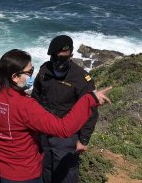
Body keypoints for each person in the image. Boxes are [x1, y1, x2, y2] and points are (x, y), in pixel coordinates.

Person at [0, 49, 111, 183]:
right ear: (14, 77)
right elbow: (63, 129)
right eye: (29, 72)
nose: (32, 75)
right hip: (25, 174)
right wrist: (89, 99)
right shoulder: (25, 106)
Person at [31, 35, 97, 183]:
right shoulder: (44, 71)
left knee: (65, 173)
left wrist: (83, 140)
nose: (58, 63)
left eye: (63, 58)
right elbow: (35, 99)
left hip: (67, 137)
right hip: (44, 131)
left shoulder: (81, 78)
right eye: (55, 58)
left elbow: (91, 111)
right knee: (45, 169)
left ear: (71, 56)